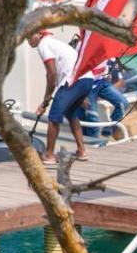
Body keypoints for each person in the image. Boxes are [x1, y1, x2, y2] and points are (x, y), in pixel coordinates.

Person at [28, 30, 93, 164]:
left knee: (54, 117)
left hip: (73, 81)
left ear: (40, 34)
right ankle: (82, 151)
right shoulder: (54, 43)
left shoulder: (43, 45)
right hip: (87, 80)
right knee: (71, 114)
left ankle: (49, 155)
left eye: (30, 36)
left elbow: (51, 75)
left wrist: (45, 101)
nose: (28, 40)